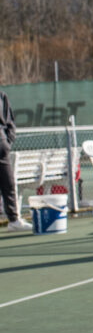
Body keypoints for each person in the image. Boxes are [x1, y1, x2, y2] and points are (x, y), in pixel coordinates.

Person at [0, 90, 32, 231]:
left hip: (2, 150)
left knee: (9, 184)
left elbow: (9, 120)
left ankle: (14, 220)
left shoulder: (1, 95)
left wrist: (8, 141)